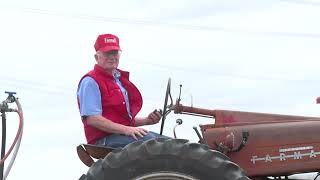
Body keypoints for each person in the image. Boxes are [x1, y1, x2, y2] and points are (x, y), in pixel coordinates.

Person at [77, 33, 167, 148]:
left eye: (114, 52)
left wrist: (146, 121)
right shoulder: (90, 81)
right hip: (104, 140)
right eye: (107, 53)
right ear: (97, 57)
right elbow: (93, 119)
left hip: (120, 135)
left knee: (170, 143)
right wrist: (127, 130)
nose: (112, 57)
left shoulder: (117, 80)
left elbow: (120, 121)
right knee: (157, 144)